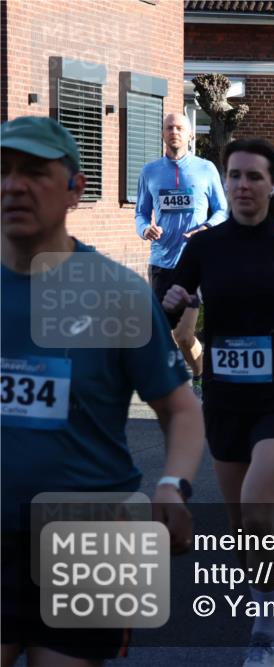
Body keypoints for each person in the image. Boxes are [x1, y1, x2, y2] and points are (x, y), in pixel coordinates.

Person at [2, 115, 204, 666]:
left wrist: (172, 485)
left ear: (75, 189)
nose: (13, 184)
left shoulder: (117, 293)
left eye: (35, 173)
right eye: (4, 170)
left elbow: (181, 409)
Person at [162, 138, 274, 667]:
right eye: (234, 176)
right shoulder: (204, 247)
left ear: (271, 186)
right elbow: (170, 301)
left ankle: (267, 626)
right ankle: (266, 596)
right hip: (224, 398)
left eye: (253, 177)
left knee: (259, 505)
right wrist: (171, 302)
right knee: (243, 525)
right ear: (226, 183)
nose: (243, 185)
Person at [136, 112, 228, 396]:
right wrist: (144, 230)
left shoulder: (206, 169)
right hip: (162, 262)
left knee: (183, 334)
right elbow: (141, 212)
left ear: (190, 135)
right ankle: (192, 376)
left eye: (180, 128)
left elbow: (223, 210)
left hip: (198, 264)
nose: (174, 131)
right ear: (162, 134)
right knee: (164, 335)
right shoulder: (150, 171)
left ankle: (191, 378)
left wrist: (207, 228)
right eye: (169, 127)